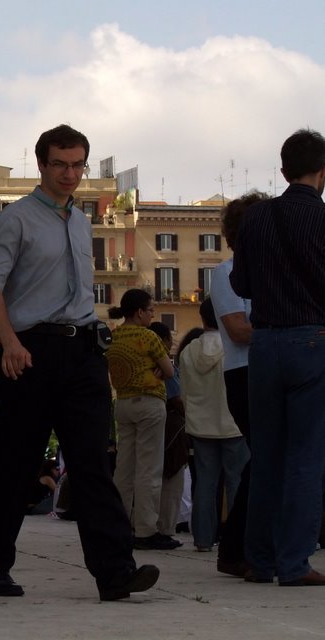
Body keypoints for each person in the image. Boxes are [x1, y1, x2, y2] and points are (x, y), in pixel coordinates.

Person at [0, 124, 159, 600]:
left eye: (77, 165)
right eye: (60, 164)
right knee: (14, 465)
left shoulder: (81, 222)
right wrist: (9, 343)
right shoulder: (17, 219)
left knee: (93, 463)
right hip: (29, 353)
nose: (70, 174)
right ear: (42, 165)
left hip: (83, 352)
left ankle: (115, 573)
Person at [230, 128, 325, 586]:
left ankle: (260, 560)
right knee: (307, 457)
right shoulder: (321, 218)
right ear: (322, 172)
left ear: (283, 171)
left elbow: (242, 284)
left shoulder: (256, 218)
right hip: (313, 341)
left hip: (264, 343)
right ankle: (294, 563)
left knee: (265, 455)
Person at [209, 191, 269, 577]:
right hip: (244, 373)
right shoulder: (226, 273)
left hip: (267, 369)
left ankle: (247, 546)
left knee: (270, 460)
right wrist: (288, 330)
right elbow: (237, 329)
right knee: (263, 460)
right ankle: (234, 548)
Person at [106, 289, 178, 550]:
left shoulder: (114, 337)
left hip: (123, 403)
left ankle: (119, 525)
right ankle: (146, 530)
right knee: (149, 468)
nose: (152, 315)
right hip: (149, 403)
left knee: (124, 468)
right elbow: (169, 371)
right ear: (139, 312)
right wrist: (159, 367)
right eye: (150, 311)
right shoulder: (148, 336)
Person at [179, 298, 249, 552]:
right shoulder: (235, 348)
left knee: (205, 485)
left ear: (202, 318)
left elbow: (184, 392)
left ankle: (203, 539)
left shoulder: (188, 351)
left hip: (200, 425)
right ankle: (237, 540)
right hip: (233, 424)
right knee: (237, 483)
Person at [149, 321, 188, 541]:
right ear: (163, 341)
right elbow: (176, 399)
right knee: (172, 483)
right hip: (172, 429)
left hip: (149, 427)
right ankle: (165, 529)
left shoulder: (141, 363)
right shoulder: (165, 367)